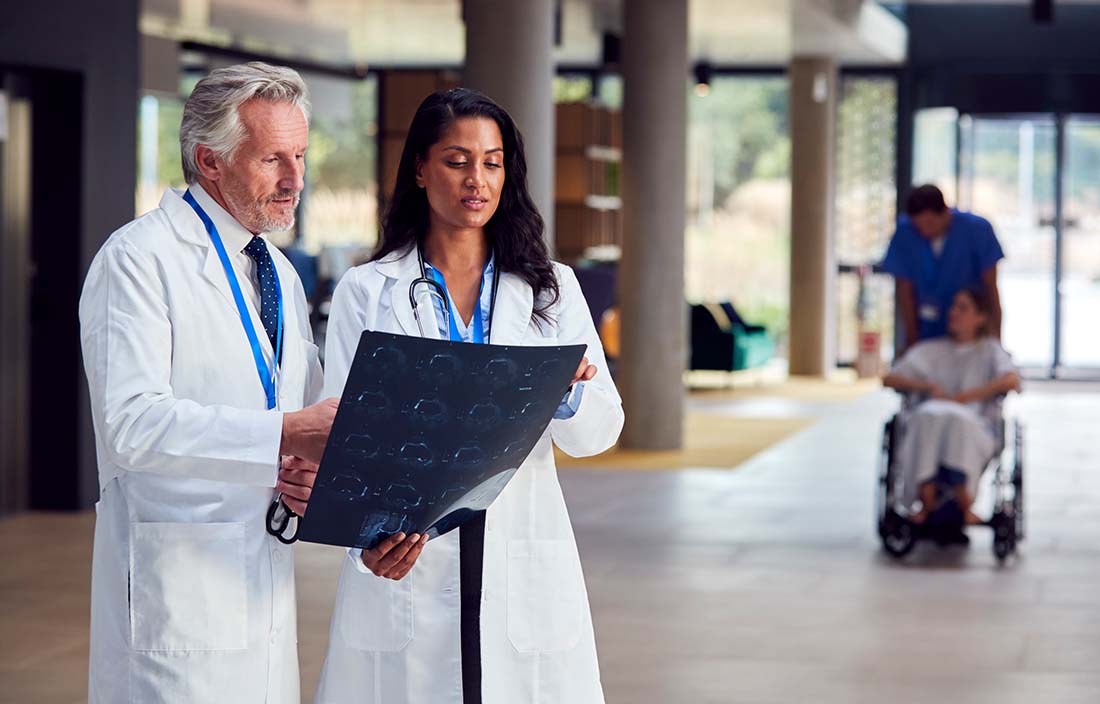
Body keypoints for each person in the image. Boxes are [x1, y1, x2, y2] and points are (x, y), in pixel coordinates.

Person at [304, 88, 624, 704]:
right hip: (406, 551)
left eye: (492, 161)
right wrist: (370, 532)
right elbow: (345, 435)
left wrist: (560, 396)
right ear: (420, 169)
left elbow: (601, 431)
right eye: (456, 161)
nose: (476, 179)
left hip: (520, 545)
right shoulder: (368, 291)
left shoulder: (551, 290)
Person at [79, 62, 338, 703]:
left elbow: (284, 407)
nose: (295, 179)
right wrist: (286, 432)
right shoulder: (137, 259)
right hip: (178, 586)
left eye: (300, 155)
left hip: (264, 579)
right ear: (210, 161)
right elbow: (131, 425)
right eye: (273, 159)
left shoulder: (277, 269)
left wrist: (305, 467)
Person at [883, 287, 1021, 526]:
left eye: (963, 308)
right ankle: (925, 499)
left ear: (981, 317)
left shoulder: (989, 350)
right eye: (953, 307)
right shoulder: (931, 350)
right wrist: (927, 387)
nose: (953, 313)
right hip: (929, 414)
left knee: (958, 422)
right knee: (928, 417)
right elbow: (889, 378)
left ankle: (964, 501)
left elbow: (1011, 379)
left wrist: (963, 398)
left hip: (973, 421)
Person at [881, 184, 1005, 353]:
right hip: (926, 330)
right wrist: (912, 338)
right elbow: (904, 289)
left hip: (970, 334)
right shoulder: (906, 233)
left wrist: (996, 339)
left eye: (930, 224)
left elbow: (991, 289)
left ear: (945, 211)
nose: (924, 232)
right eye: (919, 227)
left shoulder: (977, 230)